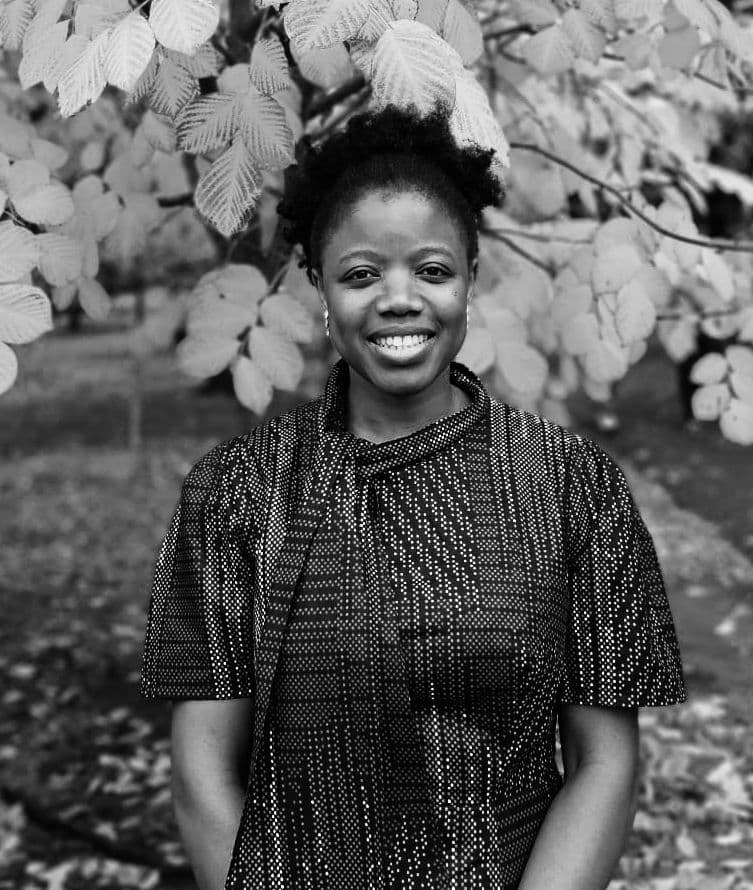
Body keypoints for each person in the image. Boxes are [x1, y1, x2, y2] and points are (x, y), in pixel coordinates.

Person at [140, 104, 687, 890]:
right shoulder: (236, 492)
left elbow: (603, 762)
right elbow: (201, 773)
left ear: (469, 280)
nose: (399, 299)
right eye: (361, 274)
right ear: (321, 291)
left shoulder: (572, 485)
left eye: (431, 270)